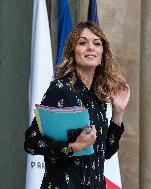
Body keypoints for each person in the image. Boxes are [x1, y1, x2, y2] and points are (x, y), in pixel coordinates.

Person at [24, 21, 130, 189]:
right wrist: (73, 147)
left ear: (103, 54)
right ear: (73, 52)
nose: (90, 47)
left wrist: (118, 112)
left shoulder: (99, 97)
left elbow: (106, 152)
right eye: (82, 42)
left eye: (97, 43)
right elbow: (31, 142)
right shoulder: (60, 89)